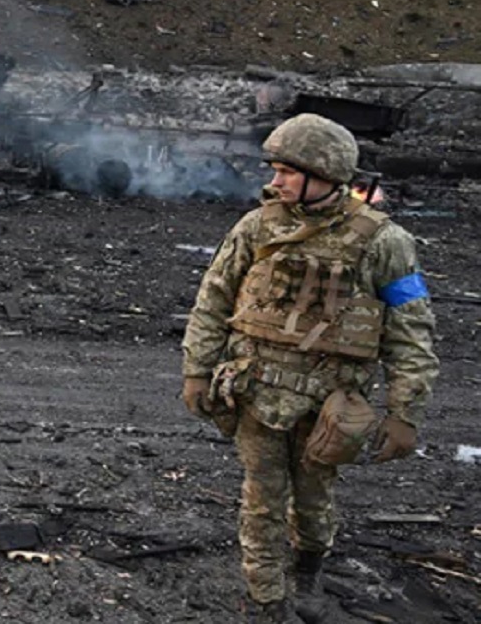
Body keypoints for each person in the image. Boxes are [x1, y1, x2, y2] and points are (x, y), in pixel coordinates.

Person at [180, 113, 438, 623]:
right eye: (275, 170)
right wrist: (197, 369)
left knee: (316, 499)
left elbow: (411, 331)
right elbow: (213, 300)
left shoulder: (386, 242)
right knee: (261, 500)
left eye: (286, 172)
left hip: (331, 404)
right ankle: (267, 601)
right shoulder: (257, 227)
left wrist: (404, 412)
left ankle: (307, 574)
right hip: (255, 392)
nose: (274, 182)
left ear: (324, 174)